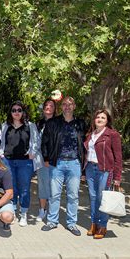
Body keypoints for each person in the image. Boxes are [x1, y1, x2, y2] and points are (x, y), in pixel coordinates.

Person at [41, 96, 87, 236]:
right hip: (57, 163)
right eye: (65, 104)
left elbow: (85, 145)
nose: (67, 106)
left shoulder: (81, 123)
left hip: (74, 163)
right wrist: (47, 158)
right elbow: (45, 142)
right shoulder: (53, 123)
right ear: (61, 107)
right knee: (54, 194)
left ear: (74, 106)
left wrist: (83, 165)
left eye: (70, 104)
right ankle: (52, 221)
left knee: (73, 196)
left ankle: (72, 223)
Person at [0, 101, 43, 227]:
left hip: (25, 162)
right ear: (11, 112)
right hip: (8, 161)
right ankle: (12, 212)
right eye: (14, 110)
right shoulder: (5, 126)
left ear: (23, 112)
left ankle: (23, 213)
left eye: (19, 110)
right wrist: (1, 154)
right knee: (11, 188)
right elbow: (2, 142)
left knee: (24, 188)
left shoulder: (30, 125)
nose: (16, 112)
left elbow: (36, 141)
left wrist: (32, 152)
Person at [84, 109, 123, 239]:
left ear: (107, 121)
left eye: (103, 117)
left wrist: (117, 177)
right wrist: (84, 171)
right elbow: (86, 153)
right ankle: (93, 224)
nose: (100, 119)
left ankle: (102, 226)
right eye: (98, 117)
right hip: (90, 167)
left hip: (105, 170)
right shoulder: (90, 134)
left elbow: (118, 157)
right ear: (94, 119)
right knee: (93, 197)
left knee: (102, 197)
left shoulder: (112, 135)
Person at [35, 98, 57, 222]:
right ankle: (42, 210)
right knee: (43, 185)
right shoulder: (39, 124)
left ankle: (52, 212)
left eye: (51, 105)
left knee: (54, 186)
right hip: (41, 160)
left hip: (54, 160)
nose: (48, 107)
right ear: (43, 108)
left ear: (54, 109)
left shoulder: (59, 122)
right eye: (46, 105)